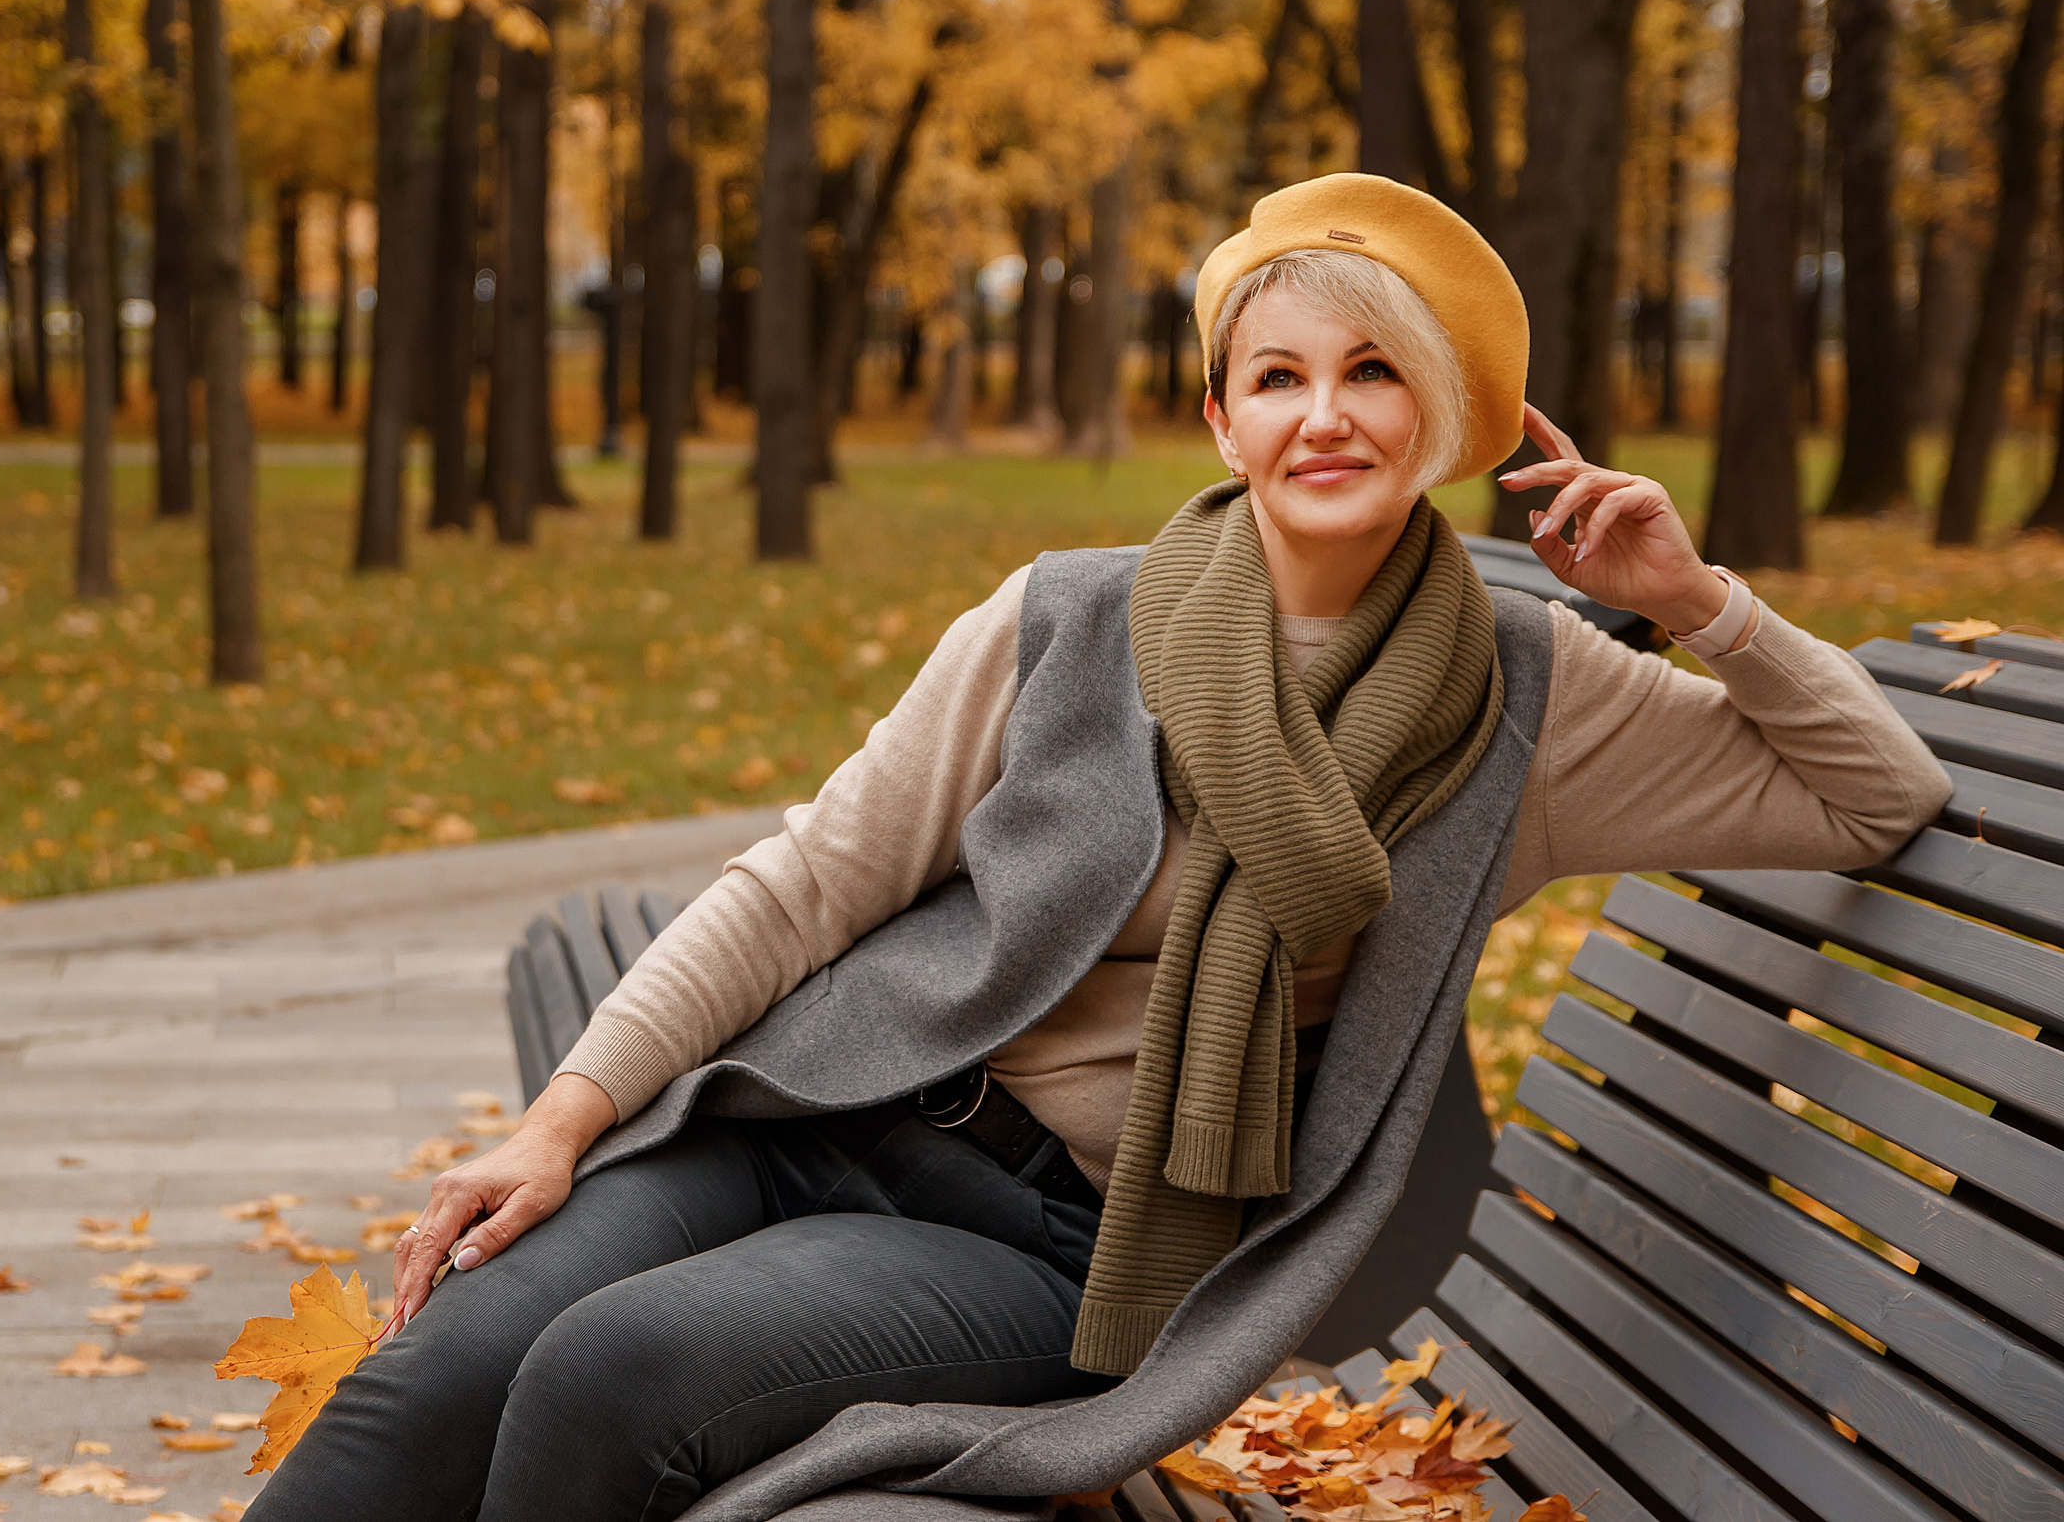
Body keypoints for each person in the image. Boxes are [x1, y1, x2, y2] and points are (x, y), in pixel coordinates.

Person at [246, 175, 1948, 1522]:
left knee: (613, 1370)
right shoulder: (1068, 620)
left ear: (1440, 422)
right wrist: (561, 1121)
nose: (1326, 416)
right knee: (441, 1365)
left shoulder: (1533, 697)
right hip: (829, 1103)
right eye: (1279, 377)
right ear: (1223, 421)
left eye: (1373, 374)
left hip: (1069, 1252)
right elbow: (814, 881)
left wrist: (1698, 605)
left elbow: (1873, 798)